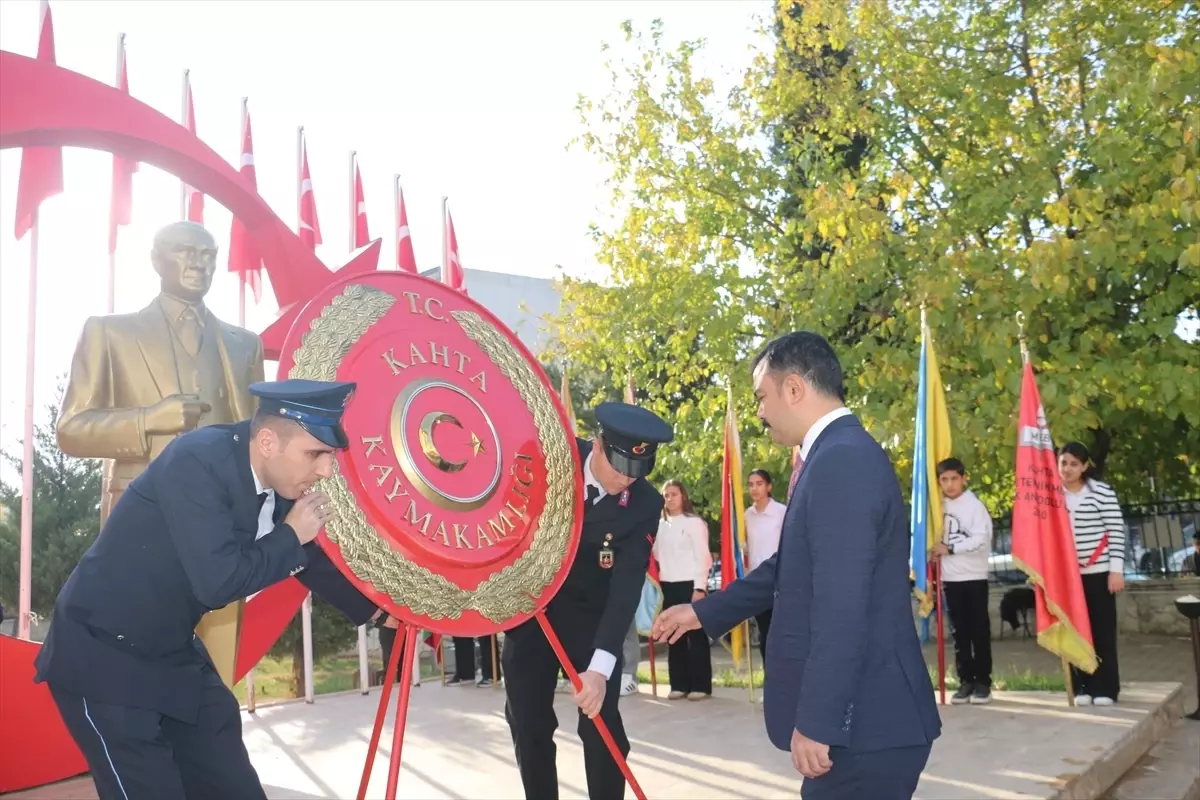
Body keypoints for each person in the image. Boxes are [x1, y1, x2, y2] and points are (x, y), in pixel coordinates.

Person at [33, 379, 399, 800]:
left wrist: (377, 610)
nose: (326, 471)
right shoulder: (196, 462)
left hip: (172, 651)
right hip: (103, 659)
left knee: (233, 786)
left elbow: (308, 557)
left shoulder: (272, 480)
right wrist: (290, 535)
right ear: (267, 441)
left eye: (330, 456)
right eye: (315, 454)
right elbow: (218, 581)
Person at [653, 332, 940, 799]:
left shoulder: (841, 461)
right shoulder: (834, 455)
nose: (760, 411)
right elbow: (792, 567)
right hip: (868, 721)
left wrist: (819, 721)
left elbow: (841, 605)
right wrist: (703, 612)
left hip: (865, 726)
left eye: (762, 396)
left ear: (793, 389)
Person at [502, 401, 673, 800]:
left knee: (601, 726)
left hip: (593, 621)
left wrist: (600, 669)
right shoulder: (549, 457)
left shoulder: (645, 505)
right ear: (597, 445)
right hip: (532, 614)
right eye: (619, 468)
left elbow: (627, 587)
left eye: (638, 472)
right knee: (528, 725)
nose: (627, 481)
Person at [1058, 441, 1126, 706]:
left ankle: (1106, 687)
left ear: (1085, 466)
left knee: (1101, 631)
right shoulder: (1051, 496)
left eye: (1074, 463)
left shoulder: (1101, 492)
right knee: (1075, 632)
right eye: (1064, 462)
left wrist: (1116, 571)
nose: (1068, 469)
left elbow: (1116, 532)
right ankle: (1082, 685)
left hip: (1098, 573)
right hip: (1066, 577)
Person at [931, 457, 994, 705]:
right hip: (950, 578)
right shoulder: (937, 508)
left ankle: (983, 683)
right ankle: (965, 681)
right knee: (959, 634)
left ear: (963, 478)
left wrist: (951, 548)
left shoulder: (974, 506)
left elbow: (981, 538)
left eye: (954, 478)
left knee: (979, 632)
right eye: (944, 479)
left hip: (974, 577)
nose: (949, 484)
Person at [652, 479, 712, 700]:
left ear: (683, 496)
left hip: (690, 584)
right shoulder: (659, 525)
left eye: (674, 494)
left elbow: (703, 557)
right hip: (668, 585)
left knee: (695, 635)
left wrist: (700, 588)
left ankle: (700, 685)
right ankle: (678, 683)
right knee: (672, 635)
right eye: (666, 495)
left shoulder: (694, 523)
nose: (669, 499)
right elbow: (656, 556)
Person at [745, 468, 785, 669]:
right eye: (751, 484)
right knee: (764, 635)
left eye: (759, 483)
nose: (755, 488)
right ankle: (770, 683)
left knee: (781, 635)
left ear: (768, 486)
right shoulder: (747, 515)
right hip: (757, 582)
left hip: (781, 580)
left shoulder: (782, 512)